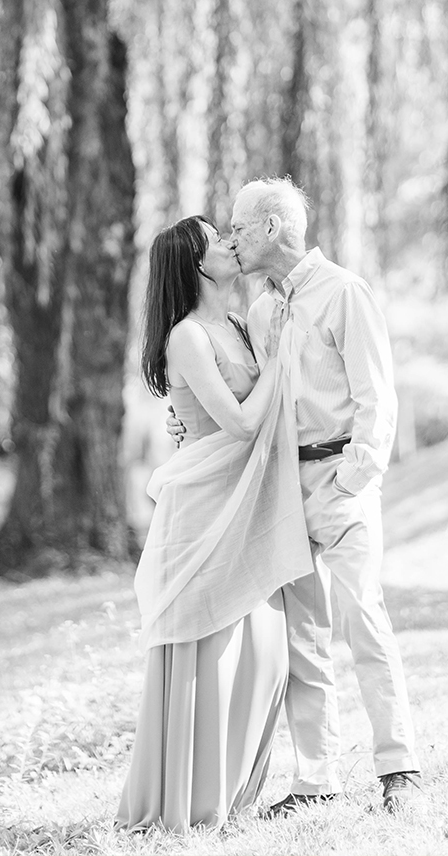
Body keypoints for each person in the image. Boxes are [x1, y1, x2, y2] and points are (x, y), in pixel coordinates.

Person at [169, 177, 423, 816]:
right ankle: (317, 780)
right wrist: (184, 420)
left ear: (274, 228)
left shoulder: (343, 292)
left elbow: (377, 397)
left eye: (241, 228)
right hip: (283, 487)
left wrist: (353, 478)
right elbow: (240, 394)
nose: (232, 239)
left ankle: (400, 768)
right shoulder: (257, 311)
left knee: (363, 617)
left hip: (339, 480)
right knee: (302, 637)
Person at [117, 215, 311, 831]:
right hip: (203, 513)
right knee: (211, 647)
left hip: (243, 503)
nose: (231, 244)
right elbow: (241, 422)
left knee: (264, 649)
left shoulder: (233, 321)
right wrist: (279, 360)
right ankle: (192, 801)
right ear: (195, 264)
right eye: (217, 241)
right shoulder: (187, 338)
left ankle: (233, 792)